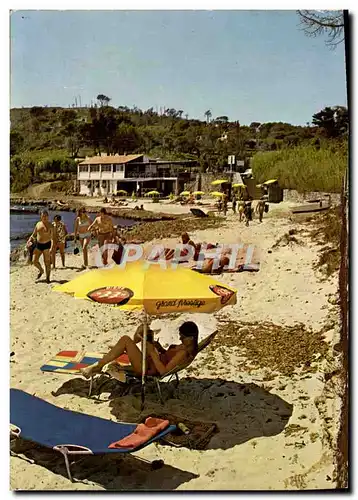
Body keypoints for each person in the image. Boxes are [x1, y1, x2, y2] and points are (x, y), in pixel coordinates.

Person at [80, 321, 199, 379]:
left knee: (126, 339)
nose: (180, 338)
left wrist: (152, 353)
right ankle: (123, 348)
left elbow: (163, 372)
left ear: (191, 338)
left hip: (148, 368)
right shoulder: (186, 347)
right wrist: (160, 349)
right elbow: (167, 357)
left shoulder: (183, 353)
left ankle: (99, 366)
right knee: (145, 329)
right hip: (153, 360)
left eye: (182, 337)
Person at [26, 210, 53, 283]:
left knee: (47, 262)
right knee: (34, 261)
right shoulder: (38, 224)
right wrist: (29, 240)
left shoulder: (50, 225)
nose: (44, 217)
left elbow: (53, 238)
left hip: (47, 245)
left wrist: (51, 248)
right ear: (41, 216)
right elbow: (34, 234)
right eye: (43, 216)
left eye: (45, 216)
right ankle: (41, 270)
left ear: (48, 216)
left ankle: (48, 278)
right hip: (38, 245)